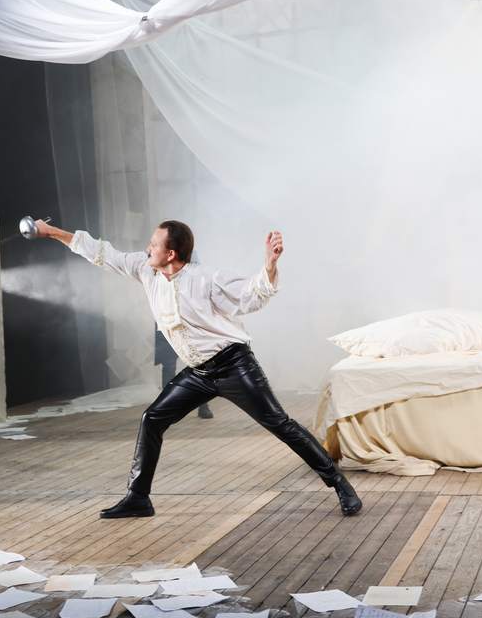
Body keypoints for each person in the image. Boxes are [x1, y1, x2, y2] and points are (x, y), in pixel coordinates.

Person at [34, 219, 362, 519]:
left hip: (234, 365)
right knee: (152, 419)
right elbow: (103, 254)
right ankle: (138, 498)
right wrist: (52, 232)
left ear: (171, 254)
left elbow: (253, 294)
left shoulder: (206, 279)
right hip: (198, 373)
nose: (147, 248)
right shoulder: (146, 270)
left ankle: (339, 484)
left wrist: (270, 264)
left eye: (154, 244)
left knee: (280, 424)